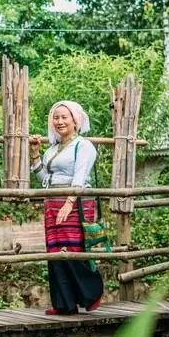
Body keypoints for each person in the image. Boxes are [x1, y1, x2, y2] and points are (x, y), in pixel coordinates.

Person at [29, 100, 104, 315]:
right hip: (52, 203)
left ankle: (92, 293)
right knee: (55, 253)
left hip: (76, 203)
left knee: (73, 250)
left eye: (64, 117)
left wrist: (69, 203)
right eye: (56, 117)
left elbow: (79, 178)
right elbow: (44, 178)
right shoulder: (52, 149)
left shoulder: (84, 146)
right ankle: (65, 304)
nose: (59, 121)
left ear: (75, 120)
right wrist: (35, 153)